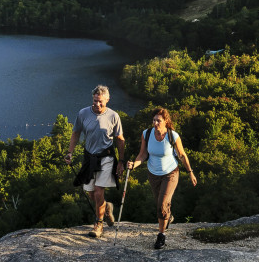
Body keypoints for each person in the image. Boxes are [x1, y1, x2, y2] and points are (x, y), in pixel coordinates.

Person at [126, 108, 197, 249]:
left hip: (170, 173)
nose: (155, 123)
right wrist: (134, 164)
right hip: (153, 174)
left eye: (158, 120)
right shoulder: (146, 134)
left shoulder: (173, 136)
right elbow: (142, 155)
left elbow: (182, 155)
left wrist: (190, 172)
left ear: (166, 121)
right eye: (154, 120)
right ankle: (168, 217)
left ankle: (161, 236)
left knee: (162, 204)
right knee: (160, 204)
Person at [66, 85, 125, 238]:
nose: (97, 104)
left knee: (99, 191)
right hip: (89, 157)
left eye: (100, 102)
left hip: (106, 157)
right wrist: (70, 152)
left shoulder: (114, 116)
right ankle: (107, 208)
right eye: (95, 101)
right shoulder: (83, 113)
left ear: (107, 100)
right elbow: (76, 133)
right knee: (92, 194)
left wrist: (121, 161)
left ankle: (98, 224)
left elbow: (120, 139)